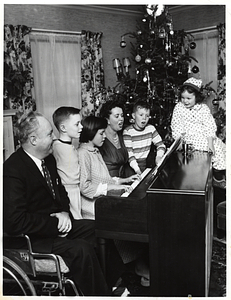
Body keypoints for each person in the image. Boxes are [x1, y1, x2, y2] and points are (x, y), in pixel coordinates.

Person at [3, 111, 111, 296]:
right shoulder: (13, 170)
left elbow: (61, 192)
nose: (54, 138)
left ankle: (107, 287)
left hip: (54, 227)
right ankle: (99, 296)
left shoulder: (49, 160)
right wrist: (56, 224)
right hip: (34, 239)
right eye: (49, 134)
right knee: (81, 249)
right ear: (33, 139)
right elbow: (14, 221)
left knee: (101, 230)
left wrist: (64, 212)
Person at [78, 115, 140, 220]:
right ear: (91, 133)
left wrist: (126, 180)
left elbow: (105, 179)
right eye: (101, 133)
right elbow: (85, 187)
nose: (105, 136)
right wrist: (112, 188)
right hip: (94, 209)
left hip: (103, 202)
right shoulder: (83, 153)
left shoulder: (95, 151)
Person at [171, 77, 226, 189]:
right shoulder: (178, 108)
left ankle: (218, 175)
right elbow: (176, 126)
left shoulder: (203, 108)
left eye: (189, 98)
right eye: (183, 98)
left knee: (218, 147)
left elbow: (209, 126)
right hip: (187, 138)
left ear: (197, 97)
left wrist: (210, 142)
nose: (185, 101)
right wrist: (179, 141)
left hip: (203, 135)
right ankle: (202, 176)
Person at [52, 106, 83, 220]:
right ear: (63, 128)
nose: (81, 127)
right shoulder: (55, 146)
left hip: (76, 190)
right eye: (77, 124)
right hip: (67, 191)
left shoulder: (72, 146)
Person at [123, 100, 166, 175]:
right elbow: (129, 154)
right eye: (141, 115)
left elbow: (161, 145)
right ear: (133, 116)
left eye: (147, 115)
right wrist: (138, 171)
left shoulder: (151, 129)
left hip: (145, 164)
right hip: (131, 166)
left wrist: (158, 156)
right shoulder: (128, 132)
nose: (144, 118)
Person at [99, 98, 133, 177]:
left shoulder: (123, 135)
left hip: (126, 181)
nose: (121, 119)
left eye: (122, 116)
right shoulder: (100, 139)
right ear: (107, 120)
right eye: (117, 116)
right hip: (109, 184)